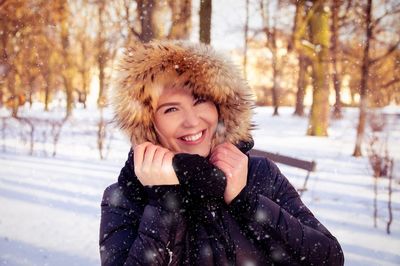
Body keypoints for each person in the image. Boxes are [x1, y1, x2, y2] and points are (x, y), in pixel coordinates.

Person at [99, 40, 344, 266]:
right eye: (171, 109)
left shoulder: (259, 173)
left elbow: (329, 258)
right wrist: (164, 202)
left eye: (200, 101)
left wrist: (246, 201)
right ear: (149, 123)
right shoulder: (127, 195)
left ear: (221, 107)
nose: (192, 121)